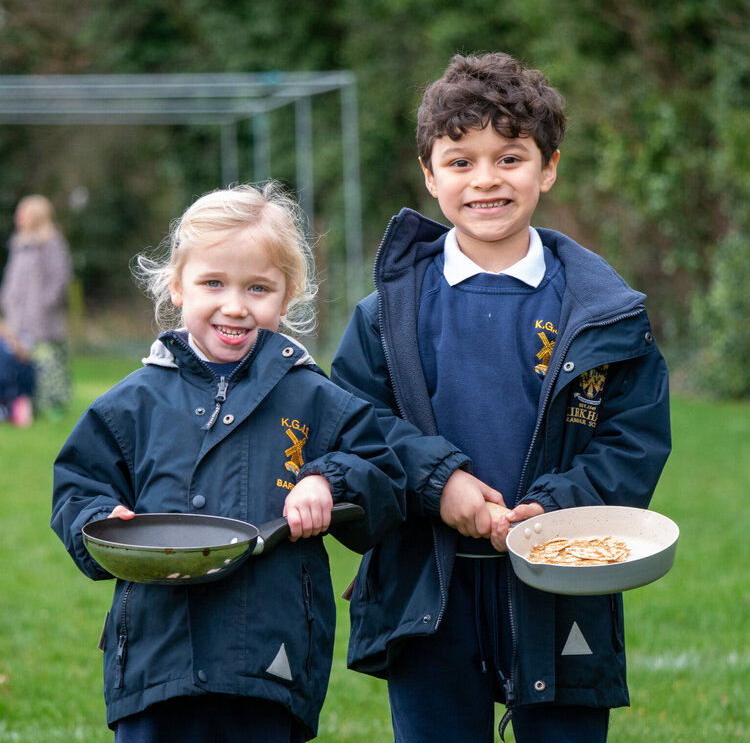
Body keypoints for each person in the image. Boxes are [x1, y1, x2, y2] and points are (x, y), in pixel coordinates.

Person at [331, 52, 671, 743]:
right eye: (460, 161)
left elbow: (631, 441)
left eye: (509, 157)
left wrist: (554, 509)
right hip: (429, 588)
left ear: (548, 168)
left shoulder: (605, 313)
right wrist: (439, 482)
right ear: (429, 174)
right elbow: (352, 425)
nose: (485, 179)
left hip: (563, 588)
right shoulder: (385, 315)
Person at [51, 183, 406, 742]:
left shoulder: (316, 398)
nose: (235, 305)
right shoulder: (130, 402)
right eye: (213, 282)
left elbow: (383, 476)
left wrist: (327, 481)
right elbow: (78, 486)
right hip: (154, 657)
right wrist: (101, 523)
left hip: (270, 659)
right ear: (176, 285)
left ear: (288, 297)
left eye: (257, 287)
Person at [0, 194, 72, 418]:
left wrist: (45, 304)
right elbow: (12, 279)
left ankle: (54, 405)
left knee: (48, 362)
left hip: (43, 318)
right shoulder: (19, 244)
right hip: (17, 316)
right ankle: (27, 403)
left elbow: (60, 278)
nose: (18, 217)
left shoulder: (51, 242)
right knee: (20, 360)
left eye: (23, 213)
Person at [0, 320, 34, 426]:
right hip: (6, 393)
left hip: (17, 395)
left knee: (23, 418)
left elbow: (28, 380)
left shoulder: (20, 357)